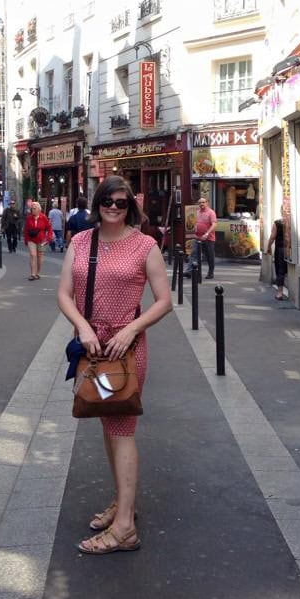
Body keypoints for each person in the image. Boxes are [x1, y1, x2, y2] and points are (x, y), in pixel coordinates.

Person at [57, 176, 172, 554]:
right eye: (108, 199)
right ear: (98, 202)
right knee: (108, 422)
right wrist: (83, 327)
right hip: (94, 348)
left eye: (121, 203)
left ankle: (125, 527)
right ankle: (125, 503)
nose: (114, 207)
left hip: (126, 349)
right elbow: (64, 295)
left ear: (130, 208)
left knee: (122, 426)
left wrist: (132, 329)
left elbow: (163, 301)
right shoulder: (81, 241)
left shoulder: (144, 245)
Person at [184, 197, 217, 279]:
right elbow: (197, 222)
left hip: (208, 238)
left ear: (207, 203)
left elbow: (214, 224)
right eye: (199, 203)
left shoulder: (211, 213)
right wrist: (195, 227)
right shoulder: (197, 212)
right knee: (193, 254)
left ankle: (210, 273)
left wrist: (207, 233)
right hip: (197, 237)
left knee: (209, 256)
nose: (201, 204)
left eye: (203, 202)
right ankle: (190, 272)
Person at [24, 201, 52, 280]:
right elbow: (26, 230)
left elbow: (49, 228)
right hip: (31, 239)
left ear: (39, 210)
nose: (32, 210)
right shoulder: (29, 218)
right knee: (33, 255)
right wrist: (26, 240)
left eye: (34, 208)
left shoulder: (43, 217)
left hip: (42, 240)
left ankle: (38, 272)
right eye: (32, 209)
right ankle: (32, 274)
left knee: (40, 257)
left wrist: (48, 238)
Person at [266, 218, 288, 300]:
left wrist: (268, 247)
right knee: (286, 270)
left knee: (280, 270)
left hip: (280, 249)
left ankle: (280, 293)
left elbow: (272, 237)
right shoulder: (293, 221)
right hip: (291, 249)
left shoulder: (277, 223)